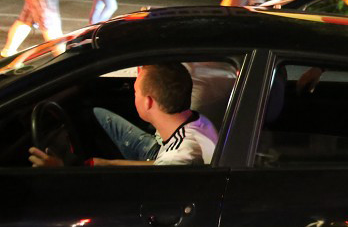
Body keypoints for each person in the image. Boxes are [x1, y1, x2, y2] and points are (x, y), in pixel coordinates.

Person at [29, 63, 217, 168]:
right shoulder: (196, 121)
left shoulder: (178, 158)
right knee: (95, 114)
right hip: (159, 151)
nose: (133, 95)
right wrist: (110, 164)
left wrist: (61, 174)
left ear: (148, 102)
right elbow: (157, 164)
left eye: (136, 92)